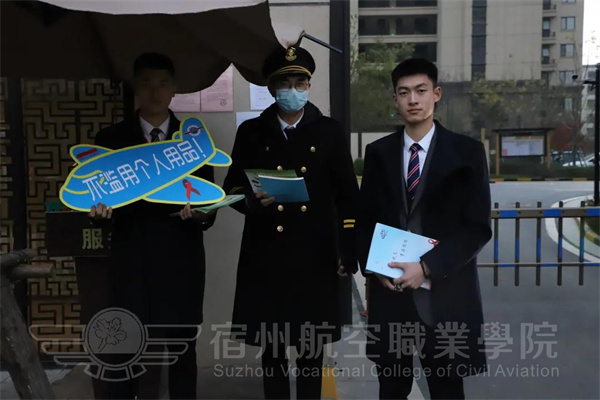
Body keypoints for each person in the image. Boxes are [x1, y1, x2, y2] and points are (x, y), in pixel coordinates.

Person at [222, 45, 359, 399]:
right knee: (273, 351)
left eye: (300, 83)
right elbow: (232, 188)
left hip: (315, 254)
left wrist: (347, 250)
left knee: (311, 350)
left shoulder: (329, 131)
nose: (293, 91)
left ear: (309, 86)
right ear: (271, 88)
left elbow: (347, 195)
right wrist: (252, 201)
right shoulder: (252, 131)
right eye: (285, 84)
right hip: (266, 254)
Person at [356, 58, 492, 399]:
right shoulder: (378, 153)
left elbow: (476, 228)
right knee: (391, 389)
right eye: (404, 93)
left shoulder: (467, 153)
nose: (413, 100)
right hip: (392, 295)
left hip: (445, 295)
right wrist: (374, 267)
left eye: (420, 91)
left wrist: (427, 267)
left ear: (436, 94)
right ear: (395, 99)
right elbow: (365, 219)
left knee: (447, 390)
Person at [88, 52, 215, 399]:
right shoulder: (111, 139)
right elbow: (97, 198)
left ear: (174, 89)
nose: (155, 91)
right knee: (126, 347)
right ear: (135, 88)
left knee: (182, 349)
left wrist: (201, 213)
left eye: (162, 83)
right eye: (146, 83)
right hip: (131, 259)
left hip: (181, 261)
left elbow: (209, 203)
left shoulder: (193, 139)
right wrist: (98, 213)